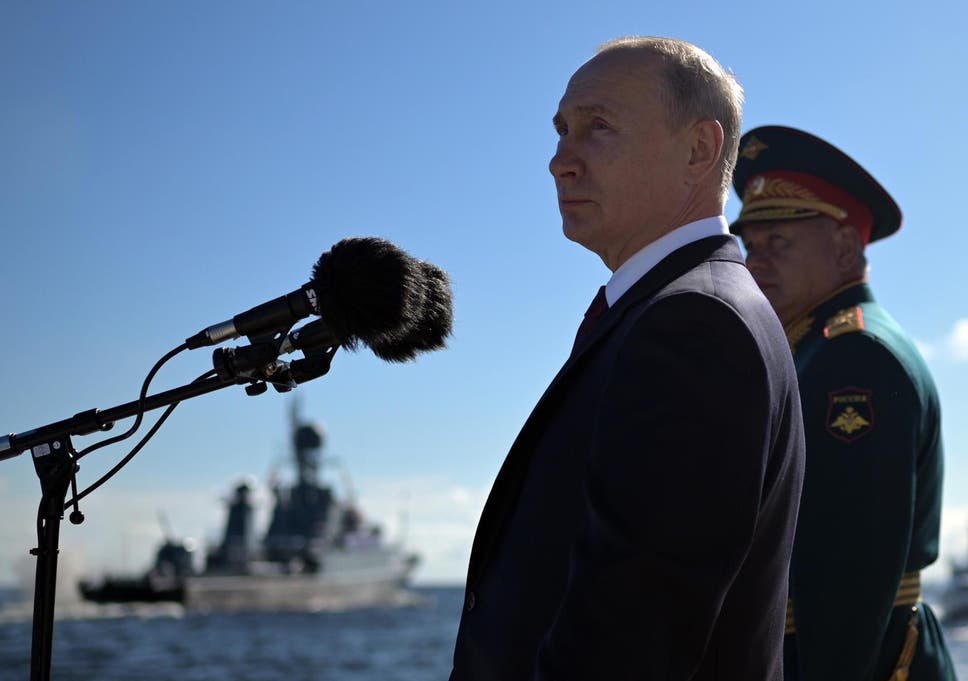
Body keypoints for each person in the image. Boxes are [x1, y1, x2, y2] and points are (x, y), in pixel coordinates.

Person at [449, 37, 805, 681]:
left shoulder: (695, 323)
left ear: (699, 149)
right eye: (561, 131)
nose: (561, 161)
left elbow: (632, 634)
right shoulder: (674, 309)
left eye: (599, 127)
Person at [731, 125, 957, 680]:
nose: (754, 263)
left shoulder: (852, 357)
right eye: (750, 247)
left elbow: (850, 573)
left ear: (845, 247)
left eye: (778, 243)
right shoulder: (817, 349)